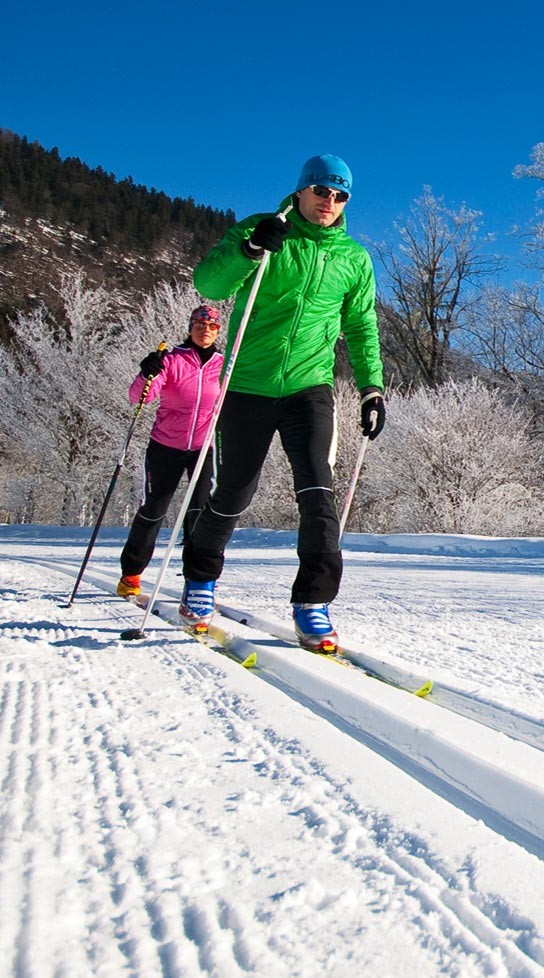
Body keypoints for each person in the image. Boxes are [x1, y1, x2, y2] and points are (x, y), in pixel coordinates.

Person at [179, 153, 385, 652]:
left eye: (340, 195)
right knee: (234, 492)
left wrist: (371, 388)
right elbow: (209, 284)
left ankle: (313, 602)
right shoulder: (263, 230)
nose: (329, 202)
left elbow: (361, 327)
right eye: (322, 191)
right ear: (301, 190)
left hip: (308, 387)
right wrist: (249, 250)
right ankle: (200, 580)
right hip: (248, 384)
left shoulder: (354, 259)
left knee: (318, 490)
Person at [114, 304, 225, 597]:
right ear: (190, 328)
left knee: (201, 514)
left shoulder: (224, 365)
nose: (205, 330)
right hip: (166, 445)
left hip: (204, 448)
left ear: (218, 331)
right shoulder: (173, 359)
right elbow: (139, 398)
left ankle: (198, 582)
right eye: (199, 325)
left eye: (211, 326)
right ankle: (131, 575)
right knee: (153, 510)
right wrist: (146, 373)